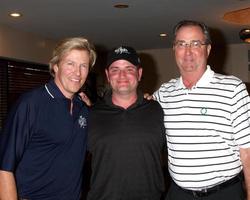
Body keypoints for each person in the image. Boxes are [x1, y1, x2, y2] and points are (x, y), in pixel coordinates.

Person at [153, 20, 250, 200]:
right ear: (174, 49)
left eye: (195, 43)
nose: (188, 51)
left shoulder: (233, 89)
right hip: (179, 194)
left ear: (208, 49)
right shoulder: (164, 93)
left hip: (223, 194)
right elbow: (139, 108)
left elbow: (248, 152)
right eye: (181, 44)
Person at [0, 37, 96, 200]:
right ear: (56, 66)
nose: (77, 73)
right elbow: (4, 167)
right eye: (70, 64)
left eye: (83, 66)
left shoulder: (83, 108)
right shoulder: (30, 104)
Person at [87, 46, 167, 200]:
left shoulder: (158, 110)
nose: (122, 75)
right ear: (107, 75)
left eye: (129, 69)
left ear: (139, 73)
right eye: (115, 69)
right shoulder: (91, 114)